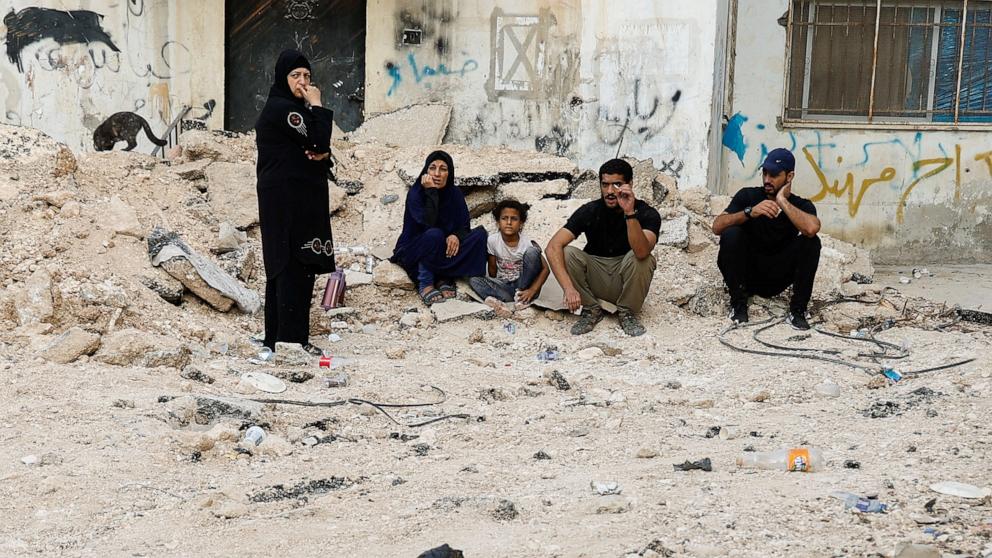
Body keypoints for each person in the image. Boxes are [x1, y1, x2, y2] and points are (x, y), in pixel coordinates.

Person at [255, 49, 335, 355]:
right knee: (291, 264)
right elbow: (316, 140)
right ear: (282, 78)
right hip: (288, 201)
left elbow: (317, 149)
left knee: (288, 266)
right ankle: (290, 341)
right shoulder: (284, 110)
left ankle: (278, 338)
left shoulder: (292, 111)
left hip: (291, 198)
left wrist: (322, 153)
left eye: (307, 76)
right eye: (296, 76)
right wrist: (317, 104)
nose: (303, 82)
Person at [546, 158, 661, 336]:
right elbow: (553, 247)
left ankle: (627, 313)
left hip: (625, 277)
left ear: (629, 184)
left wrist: (629, 213)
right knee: (567, 253)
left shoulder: (647, 213)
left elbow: (642, 251)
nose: (609, 191)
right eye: (605, 185)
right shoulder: (590, 210)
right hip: (596, 276)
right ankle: (591, 310)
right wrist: (568, 288)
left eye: (617, 185)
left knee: (643, 259)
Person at [711, 147, 821, 330]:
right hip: (748, 274)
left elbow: (811, 228)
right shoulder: (748, 195)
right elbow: (717, 226)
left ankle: (797, 311)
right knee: (731, 233)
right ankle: (738, 304)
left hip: (779, 274)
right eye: (765, 173)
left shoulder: (801, 205)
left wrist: (782, 202)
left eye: (774, 175)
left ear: (789, 176)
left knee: (812, 242)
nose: (767, 180)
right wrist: (749, 212)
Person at [390, 150, 488, 305]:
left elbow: (464, 226)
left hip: (444, 250)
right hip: (415, 250)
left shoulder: (454, 193)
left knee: (480, 235)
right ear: (425, 171)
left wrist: (456, 235)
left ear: (449, 173)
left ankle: (444, 277)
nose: (437, 173)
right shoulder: (416, 194)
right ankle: (426, 282)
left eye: (443, 169)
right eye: (432, 168)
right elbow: (427, 223)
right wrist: (431, 192)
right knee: (434, 234)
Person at [469, 199, 550, 316]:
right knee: (474, 280)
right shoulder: (492, 240)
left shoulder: (527, 243)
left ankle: (522, 297)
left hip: (525, 286)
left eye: (514, 219)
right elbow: (492, 268)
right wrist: (493, 284)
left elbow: (546, 269)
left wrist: (532, 290)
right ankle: (501, 301)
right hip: (505, 286)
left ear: (521, 223)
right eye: (504, 218)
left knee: (532, 252)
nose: (509, 222)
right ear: (498, 222)